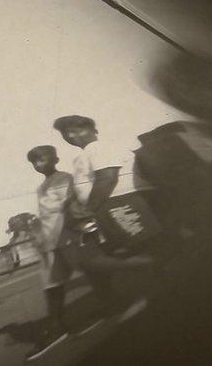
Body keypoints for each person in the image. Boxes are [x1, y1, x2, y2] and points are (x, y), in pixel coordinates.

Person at [52, 115, 155, 329]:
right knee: (96, 258)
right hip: (104, 207)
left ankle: (155, 295)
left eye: (77, 130)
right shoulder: (86, 153)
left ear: (93, 130)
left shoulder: (97, 147)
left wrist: (86, 211)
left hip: (119, 203)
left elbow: (108, 178)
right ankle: (115, 301)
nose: (71, 135)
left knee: (141, 248)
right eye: (66, 133)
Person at [24, 145, 75, 361]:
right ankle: (58, 325)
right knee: (51, 284)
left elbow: (69, 206)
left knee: (55, 283)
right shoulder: (41, 186)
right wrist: (34, 225)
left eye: (42, 160)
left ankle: (57, 327)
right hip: (47, 240)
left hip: (64, 236)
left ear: (55, 159)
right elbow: (46, 213)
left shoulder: (64, 178)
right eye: (34, 162)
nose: (38, 165)